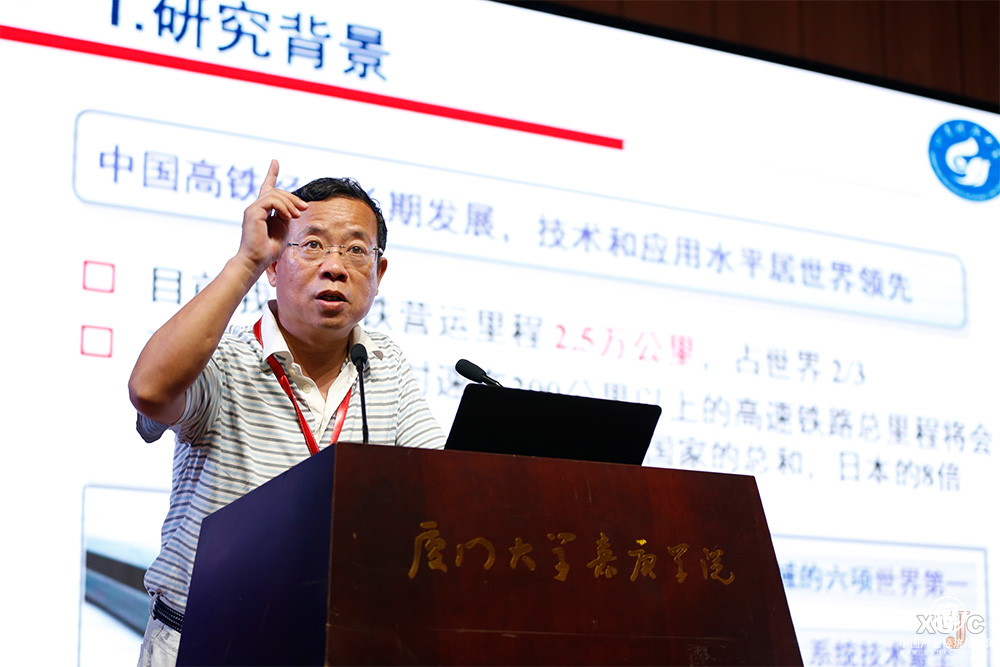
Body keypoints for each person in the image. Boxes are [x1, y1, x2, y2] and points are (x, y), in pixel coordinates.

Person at [129, 159, 445, 666]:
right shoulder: (223, 359)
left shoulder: (383, 364)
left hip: (332, 646)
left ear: (378, 273)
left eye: (356, 250)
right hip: (207, 640)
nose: (336, 266)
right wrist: (245, 262)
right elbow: (149, 391)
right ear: (275, 265)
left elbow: (444, 485)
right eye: (313, 245)